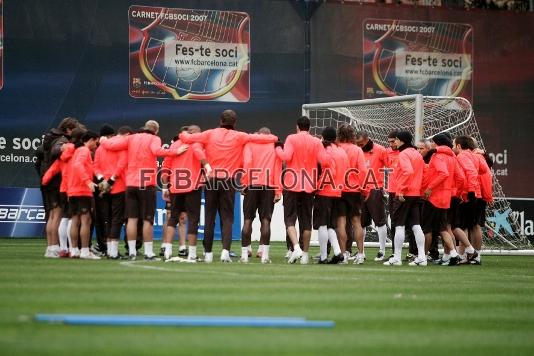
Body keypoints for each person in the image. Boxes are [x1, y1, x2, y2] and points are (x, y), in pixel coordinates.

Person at [179, 110, 278, 263]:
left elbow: (185, 137)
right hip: (228, 181)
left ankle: (208, 254)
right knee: (227, 218)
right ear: (235, 123)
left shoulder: (210, 133)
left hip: (211, 180)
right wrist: (274, 138)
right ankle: (225, 252)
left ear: (220, 121)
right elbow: (261, 138)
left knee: (209, 217)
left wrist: (183, 135)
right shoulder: (240, 136)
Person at [100, 120, 183, 260]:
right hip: (146, 184)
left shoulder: (131, 138)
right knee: (147, 219)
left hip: (130, 184)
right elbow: (157, 151)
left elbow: (111, 145)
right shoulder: (154, 138)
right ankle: (148, 252)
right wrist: (175, 151)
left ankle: (132, 252)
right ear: (156, 130)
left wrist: (102, 139)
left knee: (131, 219)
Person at [275, 116, 324, 264]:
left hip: (292, 183)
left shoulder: (291, 138)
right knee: (306, 220)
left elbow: (285, 156)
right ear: (309, 127)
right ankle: (305, 254)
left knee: (289, 218)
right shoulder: (316, 142)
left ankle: (295, 247)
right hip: (309, 185)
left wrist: (277, 148)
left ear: (297, 127)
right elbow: (324, 161)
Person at [161, 125, 210, 261]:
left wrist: (165, 187)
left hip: (175, 186)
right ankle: (192, 254)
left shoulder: (175, 144)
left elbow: (166, 167)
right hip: (192, 186)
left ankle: (168, 250)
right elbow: (204, 163)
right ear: (195, 133)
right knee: (193, 219)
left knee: (173, 218)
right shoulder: (199, 144)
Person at [35, 117, 80, 257]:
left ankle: (50, 247)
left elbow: (38, 154)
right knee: (57, 215)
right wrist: (64, 147)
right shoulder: (61, 140)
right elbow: (56, 151)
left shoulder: (49, 138)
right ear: (68, 129)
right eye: (74, 129)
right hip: (55, 182)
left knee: (52, 216)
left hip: (47, 181)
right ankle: (54, 247)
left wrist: (42, 175)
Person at [421, 134, 465, 266]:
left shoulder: (437, 156)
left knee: (427, 229)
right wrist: (456, 192)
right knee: (443, 228)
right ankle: (453, 254)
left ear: (437, 143)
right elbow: (461, 177)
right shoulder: (453, 157)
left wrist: (429, 188)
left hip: (434, 197)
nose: (432, 145)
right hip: (446, 198)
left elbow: (443, 173)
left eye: (433, 142)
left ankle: (422, 257)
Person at [240, 127, 282, 264]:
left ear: (258, 133)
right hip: (268, 187)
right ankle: (264, 256)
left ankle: (244, 256)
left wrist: (244, 183)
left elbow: (247, 164)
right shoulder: (275, 145)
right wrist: (278, 191)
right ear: (269, 135)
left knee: (247, 220)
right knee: (266, 221)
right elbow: (277, 170)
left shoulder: (250, 143)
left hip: (252, 185)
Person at [384, 131, 426, 266]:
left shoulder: (404, 154)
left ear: (401, 141)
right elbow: (423, 173)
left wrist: (401, 190)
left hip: (405, 194)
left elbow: (408, 171)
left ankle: (397, 257)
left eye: (396, 140)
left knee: (399, 225)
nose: (394, 142)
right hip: (415, 194)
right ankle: (422, 257)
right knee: (416, 225)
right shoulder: (417, 154)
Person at [315, 127, 348, 264]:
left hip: (325, 191)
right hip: (338, 191)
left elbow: (330, 171)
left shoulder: (327, 150)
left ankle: (323, 256)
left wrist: (318, 186)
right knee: (330, 225)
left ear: (323, 137)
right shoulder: (341, 151)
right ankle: (337, 252)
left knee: (322, 225)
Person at [355, 130, 389, 262]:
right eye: (358, 144)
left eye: (361, 143)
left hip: (375, 189)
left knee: (380, 221)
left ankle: (382, 250)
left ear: (367, 139)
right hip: (360, 190)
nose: (360, 146)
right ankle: (360, 251)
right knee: (361, 223)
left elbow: (390, 166)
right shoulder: (357, 151)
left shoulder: (380, 150)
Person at [66, 131, 100, 260]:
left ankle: (74, 250)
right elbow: (78, 165)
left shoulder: (76, 151)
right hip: (82, 190)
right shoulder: (84, 151)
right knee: (86, 221)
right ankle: (85, 251)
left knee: (75, 220)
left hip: (73, 190)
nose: (96, 145)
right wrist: (88, 181)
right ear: (91, 140)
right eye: (96, 142)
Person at [336, 125, 366, 264]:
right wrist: (364, 188)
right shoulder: (357, 150)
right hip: (354, 190)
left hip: (338, 190)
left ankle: (344, 255)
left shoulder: (336, 148)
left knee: (341, 223)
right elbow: (363, 171)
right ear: (353, 135)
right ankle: (360, 254)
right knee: (356, 222)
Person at [451, 135, 482, 264]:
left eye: (453, 145)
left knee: (461, 225)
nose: (452, 147)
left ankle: (468, 254)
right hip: (475, 193)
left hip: (468, 195)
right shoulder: (476, 156)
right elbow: (484, 171)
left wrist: (468, 191)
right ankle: (472, 255)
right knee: (472, 225)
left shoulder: (462, 156)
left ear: (458, 146)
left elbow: (472, 173)